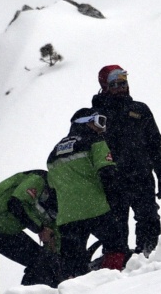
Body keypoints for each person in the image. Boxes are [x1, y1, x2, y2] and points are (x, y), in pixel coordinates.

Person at [90, 65, 161, 258]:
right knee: (116, 229)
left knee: (149, 219)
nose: (120, 87)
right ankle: (116, 266)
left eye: (123, 82)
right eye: (115, 83)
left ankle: (148, 258)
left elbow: (155, 144)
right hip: (112, 181)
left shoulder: (140, 110)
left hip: (141, 176)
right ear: (105, 86)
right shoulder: (96, 114)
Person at [46, 109, 128, 277]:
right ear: (83, 122)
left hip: (67, 216)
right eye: (99, 121)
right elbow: (107, 173)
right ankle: (111, 280)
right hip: (95, 207)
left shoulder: (53, 153)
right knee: (116, 246)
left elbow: (53, 188)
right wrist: (116, 200)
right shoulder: (94, 141)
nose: (102, 128)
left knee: (73, 262)